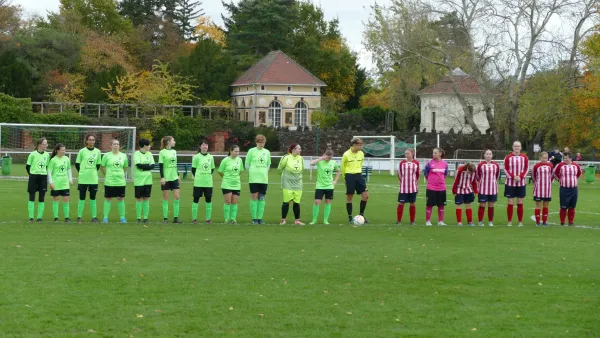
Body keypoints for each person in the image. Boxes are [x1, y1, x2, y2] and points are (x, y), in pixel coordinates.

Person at [341, 138, 369, 224]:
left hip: (359, 175)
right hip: (349, 176)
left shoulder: (361, 154)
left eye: (361, 145)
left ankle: (361, 215)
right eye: (359, 145)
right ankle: (350, 218)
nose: (361, 146)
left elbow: (360, 164)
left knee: (366, 196)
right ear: (354, 145)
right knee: (350, 197)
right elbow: (342, 167)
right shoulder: (346, 154)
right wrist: (345, 178)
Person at [75, 134, 102, 223]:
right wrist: (82, 172)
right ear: (86, 141)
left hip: (93, 179)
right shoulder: (82, 151)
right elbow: (77, 164)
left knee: (93, 198)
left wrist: (92, 172)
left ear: (94, 141)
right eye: (89, 140)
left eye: (92, 140)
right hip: (83, 179)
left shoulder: (98, 152)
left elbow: (98, 165)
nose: (91, 141)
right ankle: (79, 217)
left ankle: (94, 217)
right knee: (82, 197)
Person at [309, 149, 340, 225]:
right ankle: (314, 220)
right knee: (317, 202)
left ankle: (325, 220)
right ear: (325, 155)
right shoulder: (320, 162)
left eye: (331, 157)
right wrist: (321, 158)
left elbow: (339, 171)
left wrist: (335, 181)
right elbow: (311, 163)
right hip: (320, 186)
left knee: (328, 202)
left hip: (329, 186)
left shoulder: (333, 163)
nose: (329, 159)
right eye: (328, 157)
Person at [101, 139, 128, 223]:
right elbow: (102, 166)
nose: (116, 145)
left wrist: (121, 174)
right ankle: (105, 218)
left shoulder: (123, 156)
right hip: (110, 181)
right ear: (111, 146)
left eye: (117, 144)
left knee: (121, 198)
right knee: (108, 199)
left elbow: (125, 167)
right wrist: (106, 175)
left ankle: (122, 218)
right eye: (114, 144)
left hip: (120, 182)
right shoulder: (106, 156)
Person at [246, 134, 271, 224]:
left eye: (263, 142)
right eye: (260, 142)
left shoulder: (267, 152)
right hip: (254, 179)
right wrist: (252, 173)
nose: (262, 144)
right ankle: (254, 218)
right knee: (254, 197)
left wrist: (264, 172)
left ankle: (260, 218)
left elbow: (268, 164)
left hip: (263, 179)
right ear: (257, 142)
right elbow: (247, 164)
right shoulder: (251, 151)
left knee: (262, 198)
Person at [278, 143, 305, 225]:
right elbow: (279, 169)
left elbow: (302, 169)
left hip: (298, 184)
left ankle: (297, 220)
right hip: (287, 184)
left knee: (297, 202)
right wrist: (284, 177)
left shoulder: (301, 158)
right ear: (293, 149)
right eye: (298, 149)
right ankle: (283, 220)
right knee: (286, 202)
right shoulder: (286, 158)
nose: (300, 150)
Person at [504, 141, 529, 227]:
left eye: (518, 146)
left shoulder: (524, 157)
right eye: (515, 146)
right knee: (510, 201)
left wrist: (520, 177)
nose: (517, 148)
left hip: (521, 183)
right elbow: (505, 169)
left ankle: (520, 222)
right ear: (512, 147)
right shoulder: (508, 157)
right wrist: (513, 176)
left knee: (520, 201)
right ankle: (509, 221)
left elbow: (526, 169)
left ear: (521, 147)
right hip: (510, 183)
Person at [554, 152, 582, 226]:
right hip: (564, 189)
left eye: (566, 158)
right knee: (563, 206)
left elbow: (579, 173)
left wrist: (575, 180)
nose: (565, 159)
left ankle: (570, 221)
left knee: (572, 206)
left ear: (570, 158)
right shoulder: (560, 165)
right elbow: (555, 173)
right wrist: (559, 179)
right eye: (564, 158)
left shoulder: (576, 166)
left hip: (573, 189)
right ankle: (562, 221)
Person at [219, 145, 244, 224]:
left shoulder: (239, 160)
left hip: (236, 184)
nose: (237, 153)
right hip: (227, 183)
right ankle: (227, 219)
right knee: (228, 201)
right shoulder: (225, 160)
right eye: (235, 151)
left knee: (234, 202)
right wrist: (226, 178)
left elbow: (241, 170)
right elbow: (220, 171)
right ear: (231, 151)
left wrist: (235, 177)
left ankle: (233, 219)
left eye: (238, 151)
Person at [159, 136, 182, 224]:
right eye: (173, 140)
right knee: (166, 197)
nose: (174, 142)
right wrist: (162, 177)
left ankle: (175, 218)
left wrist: (178, 175)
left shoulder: (174, 152)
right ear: (168, 141)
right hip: (166, 178)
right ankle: (165, 218)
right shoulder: (162, 152)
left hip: (174, 177)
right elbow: (161, 166)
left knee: (177, 197)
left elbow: (175, 164)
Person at [191, 140, 215, 224]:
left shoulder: (211, 157)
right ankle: (194, 218)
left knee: (208, 199)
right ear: (200, 146)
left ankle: (208, 219)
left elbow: (212, 169)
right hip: (198, 182)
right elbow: (193, 169)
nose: (205, 146)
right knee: (196, 199)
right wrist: (199, 176)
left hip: (208, 182)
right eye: (203, 145)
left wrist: (206, 176)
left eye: (206, 145)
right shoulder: (197, 157)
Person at [48, 143, 73, 223]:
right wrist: (51, 182)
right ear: (57, 150)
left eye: (64, 150)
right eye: (62, 150)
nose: (64, 151)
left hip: (65, 183)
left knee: (66, 199)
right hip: (56, 183)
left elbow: (69, 169)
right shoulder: (53, 160)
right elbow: (49, 171)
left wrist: (70, 179)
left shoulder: (66, 159)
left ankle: (67, 217)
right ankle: (56, 217)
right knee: (56, 199)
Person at [26, 137, 50, 222]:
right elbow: (28, 167)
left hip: (43, 177)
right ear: (40, 145)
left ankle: (39, 217)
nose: (46, 145)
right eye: (45, 144)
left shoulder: (47, 155)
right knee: (32, 196)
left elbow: (47, 166)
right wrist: (32, 174)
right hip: (33, 177)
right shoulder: (32, 154)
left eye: (46, 143)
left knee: (41, 197)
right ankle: (31, 217)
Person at [424, 148, 448, 226]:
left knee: (441, 205)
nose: (433, 154)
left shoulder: (445, 164)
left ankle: (440, 221)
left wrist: (440, 181)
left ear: (440, 154)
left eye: (435, 153)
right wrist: (432, 181)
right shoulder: (429, 163)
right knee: (429, 205)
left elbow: (445, 174)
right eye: (433, 153)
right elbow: (426, 174)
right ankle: (428, 221)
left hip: (441, 188)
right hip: (431, 187)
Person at [133, 138, 155, 224]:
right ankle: (138, 217)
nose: (150, 147)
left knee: (146, 198)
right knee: (139, 198)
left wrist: (144, 166)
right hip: (139, 180)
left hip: (148, 180)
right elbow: (139, 165)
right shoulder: (136, 154)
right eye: (149, 145)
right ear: (145, 146)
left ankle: (145, 217)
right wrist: (147, 166)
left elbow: (152, 166)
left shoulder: (149, 154)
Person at [476, 150, 500, 227]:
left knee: (491, 205)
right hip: (483, 188)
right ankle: (480, 221)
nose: (488, 155)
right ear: (484, 155)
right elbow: (478, 176)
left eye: (490, 154)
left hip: (493, 188)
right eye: (487, 154)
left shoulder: (496, 165)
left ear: (492, 155)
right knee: (482, 205)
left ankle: (490, 221)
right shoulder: (480, 165)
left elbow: (497, 176)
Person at [397, 149, 420, 225]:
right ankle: (399, 221)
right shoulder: (402, 163)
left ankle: (412, 221)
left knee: (412, 203)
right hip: (403, 188)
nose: (406, 155)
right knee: (401, 203)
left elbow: (417, 175)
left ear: (412, 154)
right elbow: (399, 173)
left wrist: (415, 183)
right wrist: (403, 182)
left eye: (408, 153)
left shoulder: (416, 163)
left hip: (413, 187)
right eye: (405, 153)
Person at [532, 151, 553, 227]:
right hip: (538, 189)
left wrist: (548, 182)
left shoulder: (550, 165)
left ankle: (544, 221)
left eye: (546, 158)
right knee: (538, 205)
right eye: (543, 158)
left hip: (547, 189)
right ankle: (537, 222)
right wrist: (537, 183)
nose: (544, 159)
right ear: (540, 158)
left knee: (546, 205)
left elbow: (552, 176)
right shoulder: (536, 166)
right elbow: (533, 176)